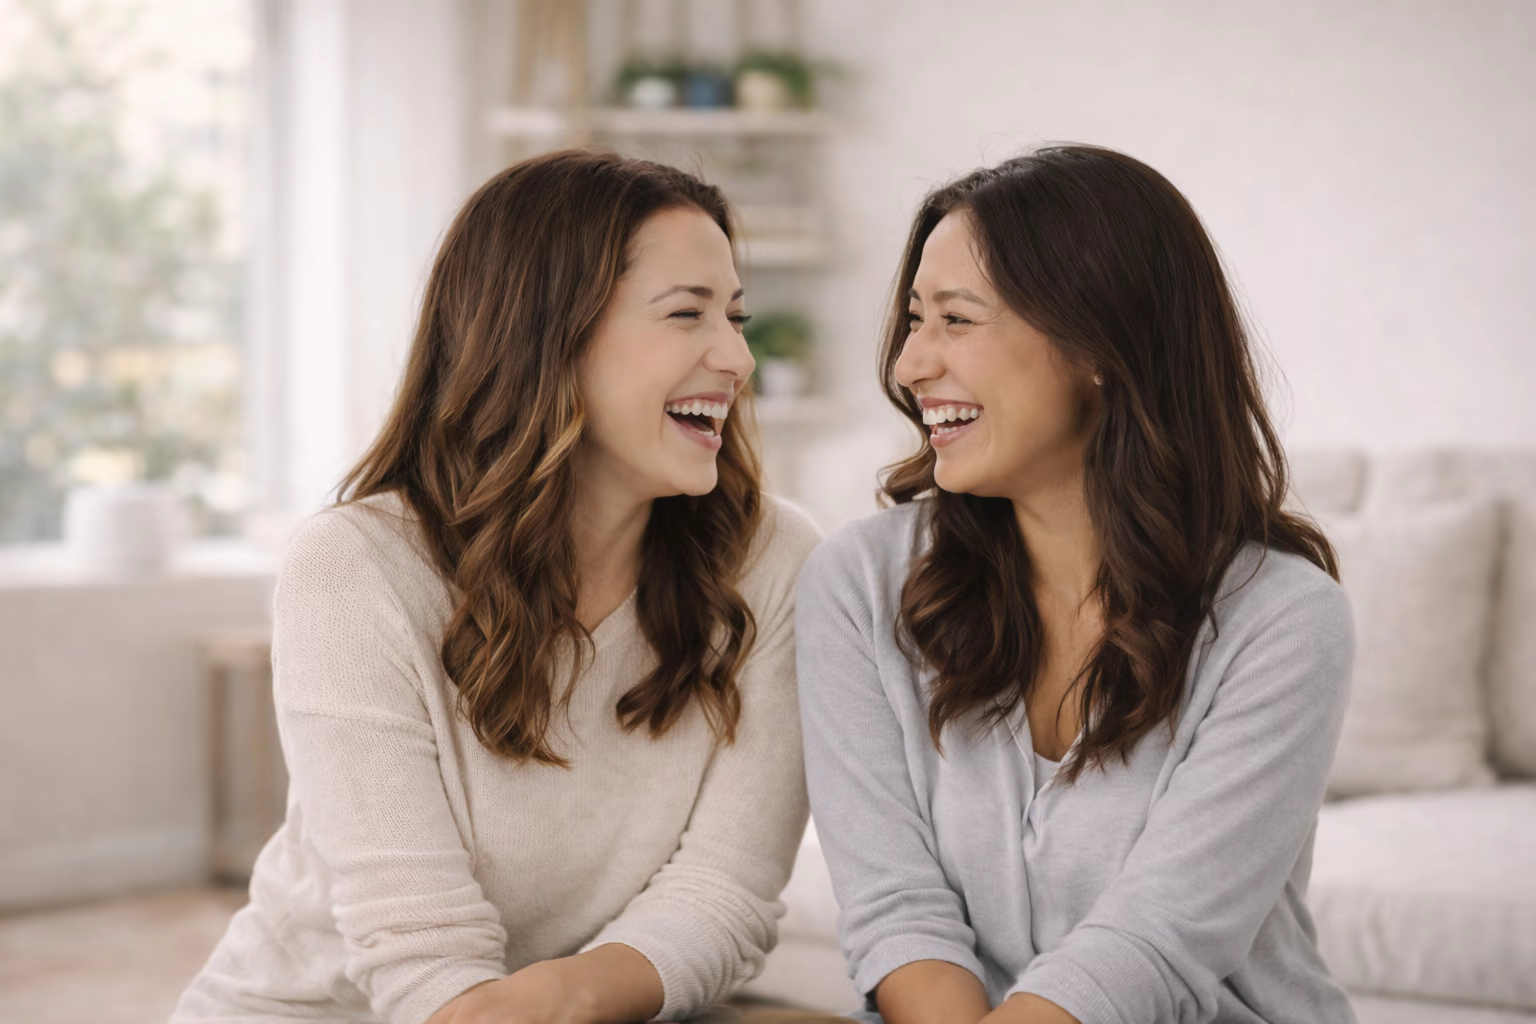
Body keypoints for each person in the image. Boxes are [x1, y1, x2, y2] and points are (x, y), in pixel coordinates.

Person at [174, 149, 821, 1024]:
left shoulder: (775, 561)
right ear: (546, 333)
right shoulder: (353, 567)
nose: (736, 357)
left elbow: (726, 888)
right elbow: (421, 958)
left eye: (736, 316)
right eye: (687, 314)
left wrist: (570, 997)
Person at [796, 146, 1356, 1024]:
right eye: (913, 320)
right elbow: (898, 914)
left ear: (1098, 344)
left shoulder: (1284, 620)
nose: (909, 366)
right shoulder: (856, 582)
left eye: (956, 320)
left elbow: (1154, 943)